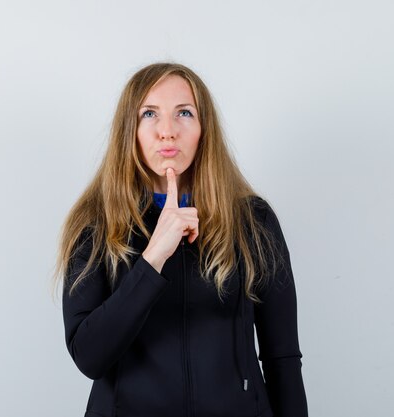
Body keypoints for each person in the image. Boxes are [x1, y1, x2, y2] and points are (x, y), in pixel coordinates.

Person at [52, 62, 308, 417]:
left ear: (204, 129)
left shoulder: (253, 220)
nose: (167, 131)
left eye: (184, 113)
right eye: (149, 114)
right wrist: (154, 255)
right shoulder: (95, 224)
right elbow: (89, 356)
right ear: (131, 130)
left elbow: (282, 358)